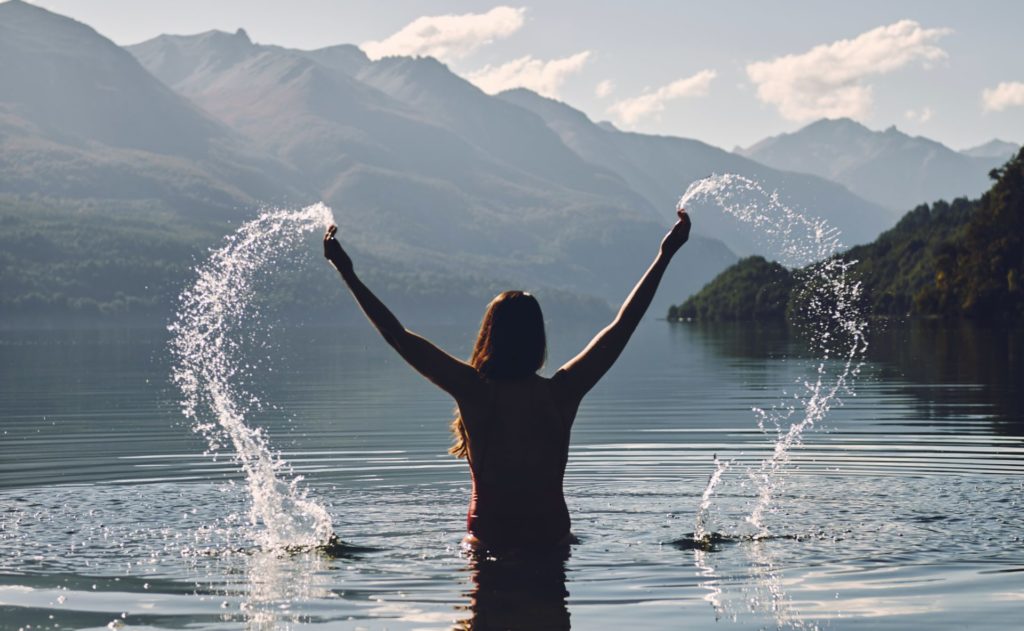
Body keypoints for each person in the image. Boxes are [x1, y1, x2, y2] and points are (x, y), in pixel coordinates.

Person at [323, 208, 691, 551]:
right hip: (551, 540)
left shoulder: (473, 392)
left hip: (489, 543)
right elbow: (622, 326)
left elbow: (398, 335)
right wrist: (665, 256)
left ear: (488, 337)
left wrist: (347, 273)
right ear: (538, 340)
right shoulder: (562, 392)